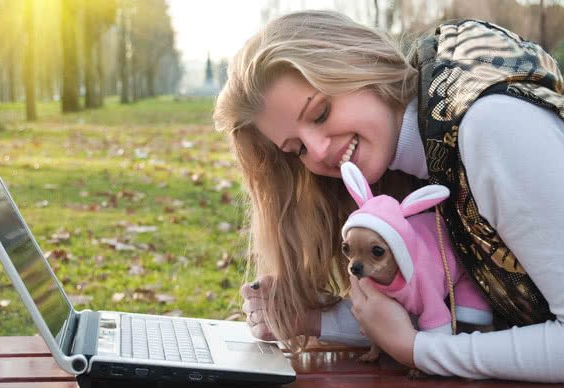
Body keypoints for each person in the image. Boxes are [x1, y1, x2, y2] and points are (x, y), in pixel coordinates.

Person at [213, 10, 564, 382]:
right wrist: (313, 319)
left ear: (363, 64)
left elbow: (425, 338)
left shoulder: (489, 127)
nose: (316, 151)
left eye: (320, 113)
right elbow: (443, 313)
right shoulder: (418, 165)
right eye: (296, 148)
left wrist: (417, 351)